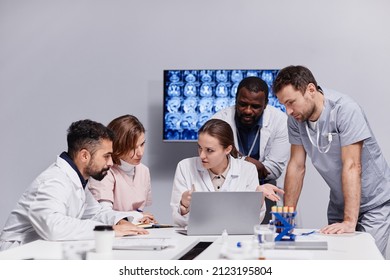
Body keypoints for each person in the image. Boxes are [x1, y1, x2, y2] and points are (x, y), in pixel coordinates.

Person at [273, 65, 390, 256]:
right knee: (337, 263)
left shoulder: (345, 110)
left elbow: (352, 166)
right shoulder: (296, 119)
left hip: (373, 202)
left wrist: (350, 221)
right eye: (283, 105)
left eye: (291, 102)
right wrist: (287, 217)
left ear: (310, 90)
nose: (288, 111)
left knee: (366, 264)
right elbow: (296, 166)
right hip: (339, 201)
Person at [0, 119, 147, 251]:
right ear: (84, 156)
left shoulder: (77, 180)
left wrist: (123, 221)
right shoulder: (54, 181)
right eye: (106, 156)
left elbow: (96, 213)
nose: (110, 162)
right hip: (17, 254)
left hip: (40, 249)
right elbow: (53, 227)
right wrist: (109, 229)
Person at [170, 119, 284, 227]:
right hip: (197, 238)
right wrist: (184, 205)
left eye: (209, 150)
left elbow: (254, 222)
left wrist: (258, 198)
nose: (202, 155)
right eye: (200, 148)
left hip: (234, 239)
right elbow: (179, 221)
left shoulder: (247, 170)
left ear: (228, 149)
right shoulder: (185, 167)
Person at [212, 76, 289, 223]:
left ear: (265, 104)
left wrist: (237, 160)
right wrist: (254, 164)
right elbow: (215, 164)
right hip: (227, 186)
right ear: (235, 100)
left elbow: (273, 169)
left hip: (265, 186)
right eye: (243, 104)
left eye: (255, 106)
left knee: (264, 233)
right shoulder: (219, 121)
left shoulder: (280, 121)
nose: (248, 111)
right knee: (224, 230)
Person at [88, 115, 155, 224]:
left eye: (142, 144)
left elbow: (139, 211)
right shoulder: (104, 171)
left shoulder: (144, 171)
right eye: (132, 148)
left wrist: (143, 219)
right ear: (118, 146)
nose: (140, 153)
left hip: (135, 232)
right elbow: (103, 214)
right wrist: (136, 216)